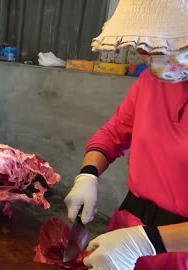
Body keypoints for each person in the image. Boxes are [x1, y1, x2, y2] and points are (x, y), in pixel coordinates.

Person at [64, 0, 188, 269]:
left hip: (178, 253)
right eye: (143, 46)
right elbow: (112, 134)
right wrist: (88, 175)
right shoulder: (149, 83)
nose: (145, 53)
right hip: (124, 232)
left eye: (156, 44)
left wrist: (143, 242)